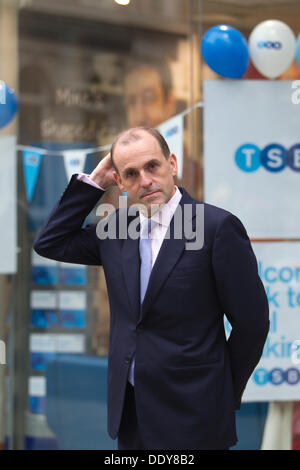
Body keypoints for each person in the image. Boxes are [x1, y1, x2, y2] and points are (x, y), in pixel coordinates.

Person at [33, 126, 269, 450]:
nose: (144, 180)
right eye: (130, 173)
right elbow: (50, 242)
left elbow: (252, 325)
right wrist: (93, 184)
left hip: (195, 415)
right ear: (120, 182)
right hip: (132, 416)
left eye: (152, 166)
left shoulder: (216, 227)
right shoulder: (116, 228)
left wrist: (223, 390)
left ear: (172, 164)